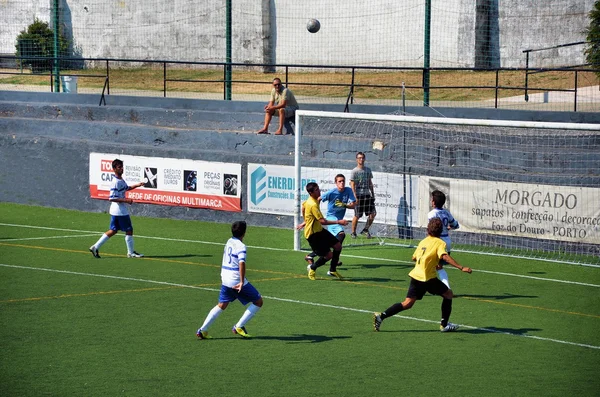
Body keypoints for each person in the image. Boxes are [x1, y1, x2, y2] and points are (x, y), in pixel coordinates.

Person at [372, 218, 472, 332]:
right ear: (440, 231)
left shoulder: (423, 241)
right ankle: (444, 325)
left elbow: (414, 257)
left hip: (416, 276)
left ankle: (381, 316)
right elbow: (444, 256)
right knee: (448, 294)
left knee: (407, 303)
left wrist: (431, 263)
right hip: (427, 278)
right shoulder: (440, 243)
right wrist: (461, 267)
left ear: (428, 230)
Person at [196, 221, 263, 339]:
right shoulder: (241, 246)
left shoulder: (229, 241)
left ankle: (202, 330)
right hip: (235, 280)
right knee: (258, 302)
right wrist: (242, 282)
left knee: (222, 304)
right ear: (244, 233)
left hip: (225, 278)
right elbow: (241, 263)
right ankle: (239, 326)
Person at [89, 158, 144, 258]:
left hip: (116, 210)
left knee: (113, 230)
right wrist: (126, 200)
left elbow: (126, 188)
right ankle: (130, 253)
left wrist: (137, 185)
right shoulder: (115, 182)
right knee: (129, 230)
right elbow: (112, 198)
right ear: (114, 169)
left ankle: (95, 247)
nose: (122, 169)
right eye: (119, 167)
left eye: (122, 167)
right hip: (120, 210)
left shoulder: (120, 180)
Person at [297, 182, 348, 280]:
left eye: (318, 188)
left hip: (320, 231)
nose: (319, 191)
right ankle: (313, 267)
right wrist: (339, 222)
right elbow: (322, 221)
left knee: (338, 246)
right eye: (316, 190)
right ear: (311, 193)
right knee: (329, 255)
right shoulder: (312, 204)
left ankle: (333, 270)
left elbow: (303, 207)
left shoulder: (313, 200)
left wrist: (305, 221)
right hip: (313, 235)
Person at [304, 174, 356, 270]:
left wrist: (344, 205)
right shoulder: (332, 192)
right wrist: (316, 213)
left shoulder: (348, 190)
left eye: (343, 181)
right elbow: (318, 199)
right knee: (341, 235)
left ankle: (312, 255)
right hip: (332, 218)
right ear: (335, 183)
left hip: (338, 218)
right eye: (339, 181)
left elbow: (354, 205)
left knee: (335, 243)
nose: (342, 183)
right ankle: (333, 263)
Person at [428, 190, 460, 289]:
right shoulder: (446, 212)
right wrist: (447, 227)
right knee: (438, 267)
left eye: (431, 199)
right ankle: (447, 288)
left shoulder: (432, 214)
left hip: (437, 242)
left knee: (427, 265)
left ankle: (423, 287)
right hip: (447, 242)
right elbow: (456, 225)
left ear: (433, 202)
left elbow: (432, 230)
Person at [350, 152, 376, 238]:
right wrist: (355, 197)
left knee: (373, 214)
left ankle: (365, 229)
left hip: (367, 195)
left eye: (362, 158)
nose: (361, 159)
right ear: (356, 159)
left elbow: (370, 183)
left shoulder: (368, 170)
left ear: (364, 159)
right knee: (357, 215)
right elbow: (352, 185)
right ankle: (353, 232)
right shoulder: (354, 171)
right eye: (359, 158)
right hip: (358, 196)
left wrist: (373, 193)